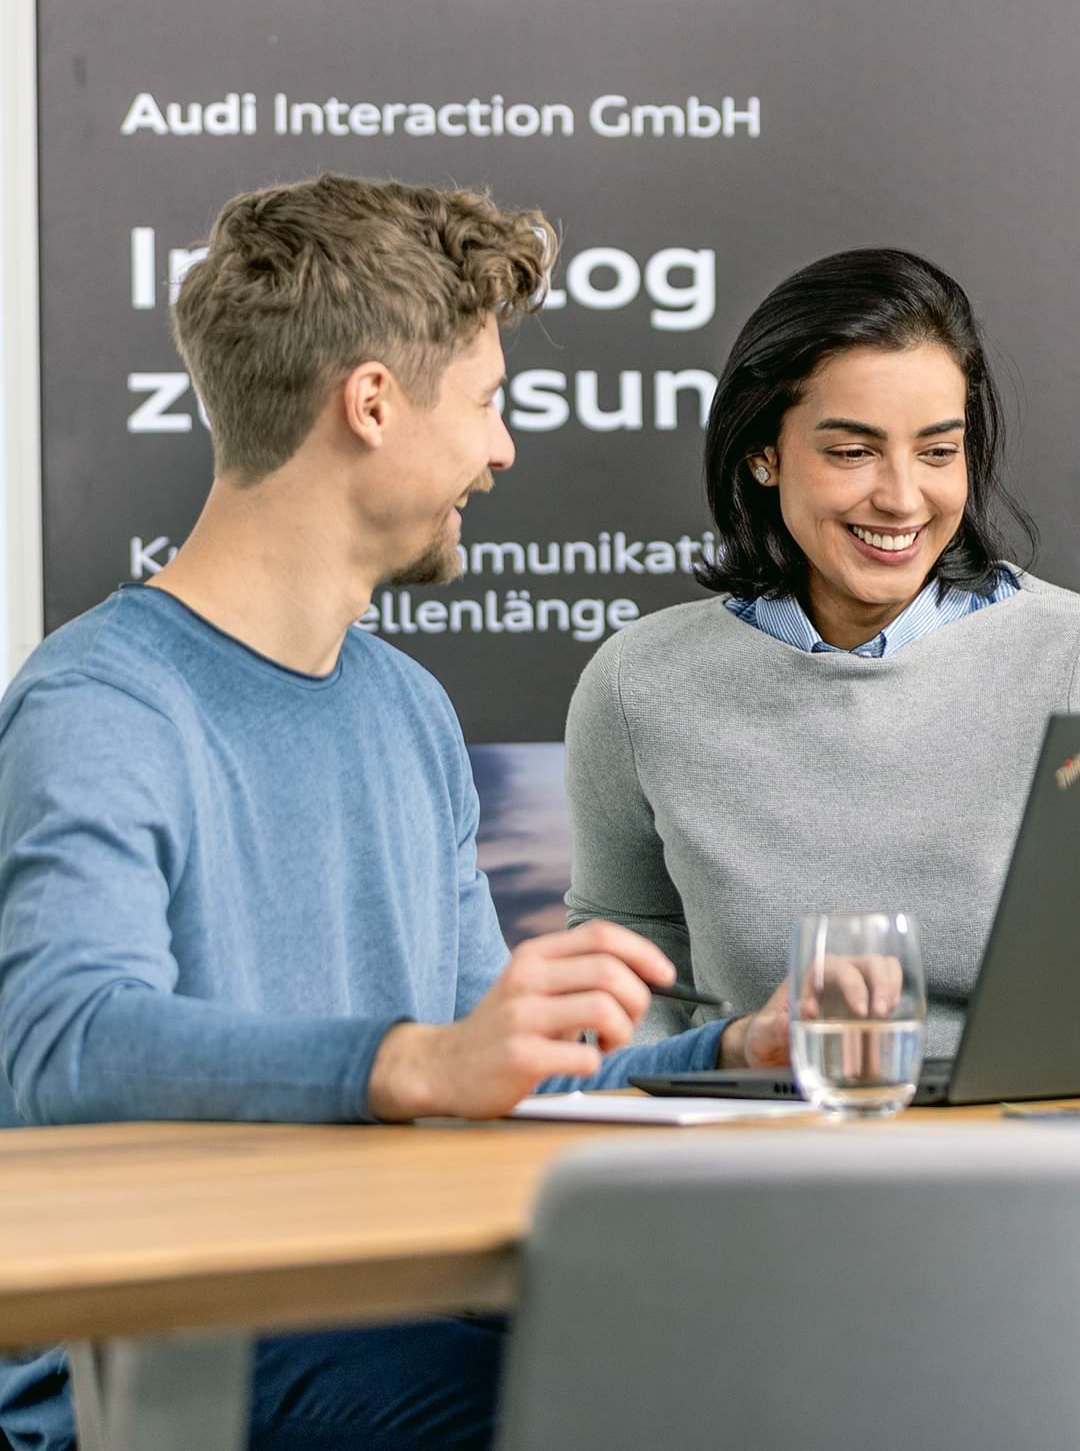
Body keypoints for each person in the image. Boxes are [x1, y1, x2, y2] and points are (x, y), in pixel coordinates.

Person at [0, 175, 730, 1451]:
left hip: (395, 1306)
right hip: (172, 1358)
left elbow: (480, 1075)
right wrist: (416, 1064)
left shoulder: (405, 708)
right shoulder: (99, 702)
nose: (503, 449)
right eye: (490, 402)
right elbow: (57, 1041)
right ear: (374, 403)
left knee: (768, 1358)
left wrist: (727, 1065)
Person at [566, 247, 1080, 1068]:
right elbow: (625, 959)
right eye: (853, 451)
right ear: (762, 453)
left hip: (1035, 1154)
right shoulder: (640, 685)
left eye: (939, 452)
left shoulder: (1071, 659)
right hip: (751, 1153)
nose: (904, 497)